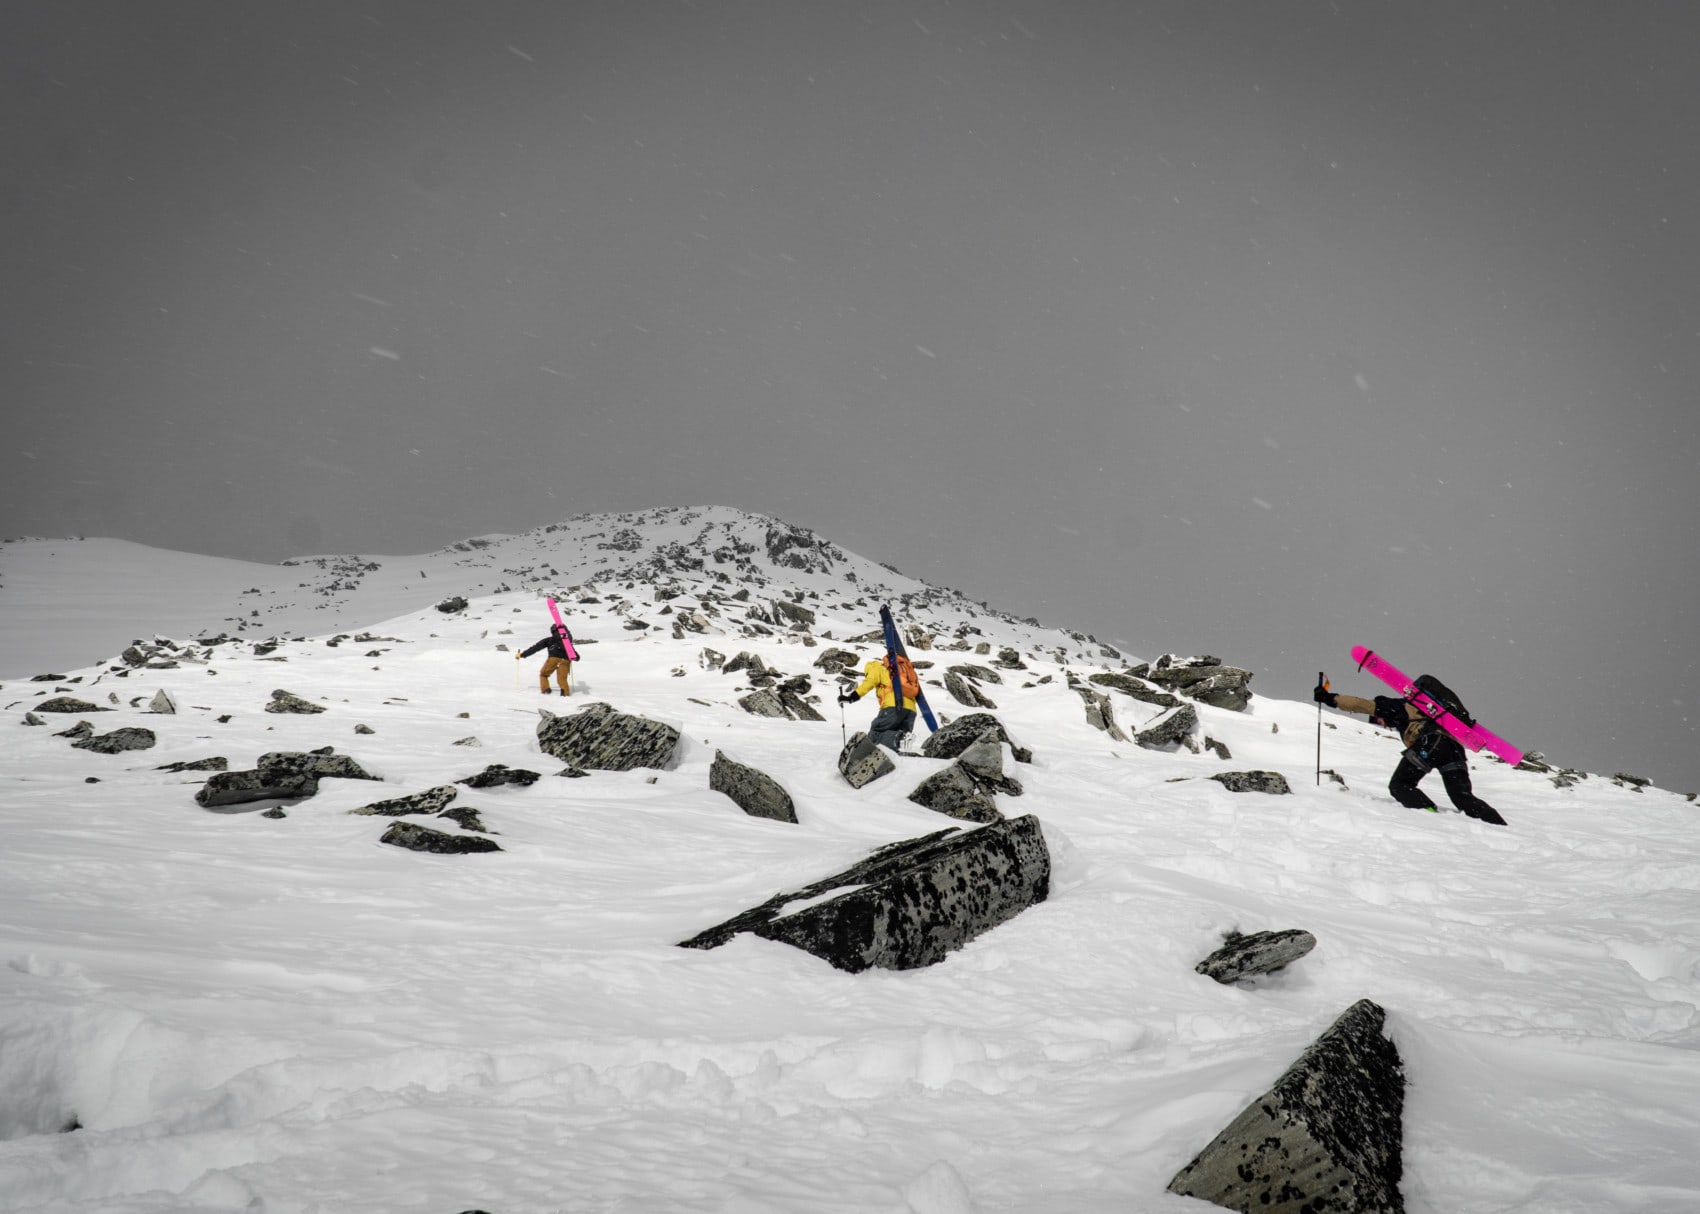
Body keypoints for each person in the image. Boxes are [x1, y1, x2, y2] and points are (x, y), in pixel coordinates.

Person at [1315, 679, 1506, 825]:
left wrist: (1330, 699)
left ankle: (1429, 814)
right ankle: (1499, 825)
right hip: (1454, 749)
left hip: (1430, 743)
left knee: (1400, 784)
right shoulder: (1425, 713)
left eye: (1377, 719)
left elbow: (1360, 704)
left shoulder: (1395, 707)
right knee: (1463, 797)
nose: (1379, 722)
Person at [839, 655, 917, 752]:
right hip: (911, 710)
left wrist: (851, 697)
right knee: (893, 736)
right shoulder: (899, 672)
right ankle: (902, 740)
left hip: (893, 706)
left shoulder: (876, 668)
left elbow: (869, 683)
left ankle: (901, 738)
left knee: (875, 733)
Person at [518, 624, 575, 696]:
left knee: (543, 674)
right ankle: (565, 694)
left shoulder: (549, 640)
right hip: (566, 660)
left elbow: (536, 647)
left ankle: (545, 690)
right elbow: (573, 652)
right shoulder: (567, 641)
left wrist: (523, 654)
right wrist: (576, 657)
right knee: (562, 678)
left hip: (554, 658)